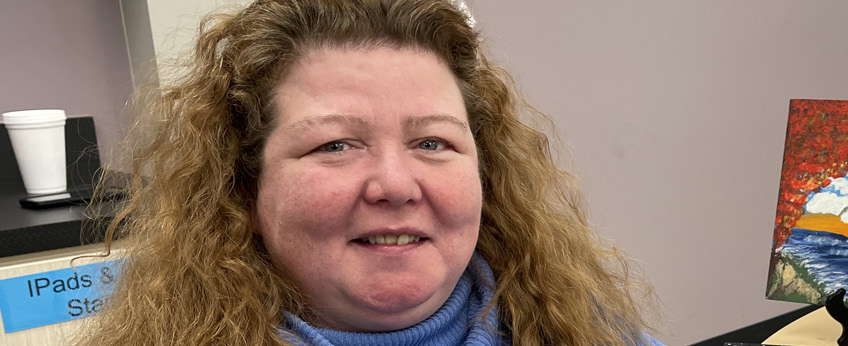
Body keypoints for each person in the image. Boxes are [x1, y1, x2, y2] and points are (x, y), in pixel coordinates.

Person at [77, 0, 659, 345]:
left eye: (432, 141)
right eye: (336, 145)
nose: (396, 185)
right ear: (245, 193)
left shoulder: (583, 325)